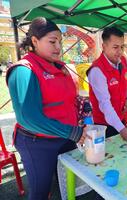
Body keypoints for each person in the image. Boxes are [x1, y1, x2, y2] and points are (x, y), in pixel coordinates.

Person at [6, 17, 87, 200]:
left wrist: (82, 105)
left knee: (67, 183)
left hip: (65, 137)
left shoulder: (59, 67)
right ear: (34, 41)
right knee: (41, 192)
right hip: (37, 143)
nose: (58, 47)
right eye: (52, 41)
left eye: (60, 41)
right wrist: (70, 131)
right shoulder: (24, 71)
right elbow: (29, 118)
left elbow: (64, 99)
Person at [87, 27, 127, 144]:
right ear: (104, 46)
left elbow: (125, 80)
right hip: (103, 126)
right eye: (115, 47)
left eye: (122, 47)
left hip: (120, 119)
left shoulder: (122, 61)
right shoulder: (97, 70)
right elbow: (105, 104)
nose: (120, 51)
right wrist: (121, 129)